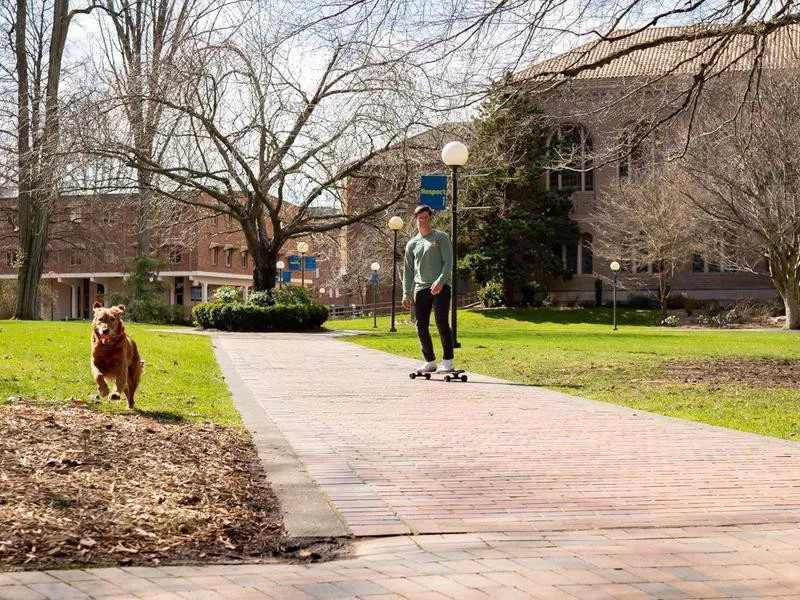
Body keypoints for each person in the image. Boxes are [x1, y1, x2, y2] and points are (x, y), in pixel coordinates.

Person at [402, 204, 455, 372]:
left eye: (426, 218)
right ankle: (430, 361)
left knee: (441, 321)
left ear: (430, 219)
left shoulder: (441, 237)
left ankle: (447, 360)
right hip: (421, 288)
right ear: (415, 220)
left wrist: (440, 280)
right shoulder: (412, 244)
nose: (423, 221)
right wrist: (406, 293)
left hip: (441, 286)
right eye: (420, 218)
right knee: (421, 324)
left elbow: (448, 261)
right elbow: (408, 271)